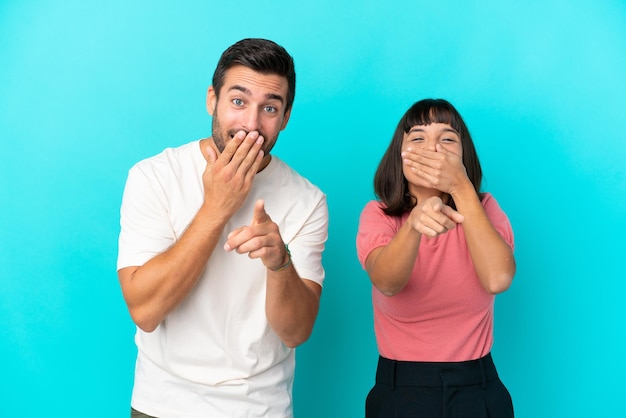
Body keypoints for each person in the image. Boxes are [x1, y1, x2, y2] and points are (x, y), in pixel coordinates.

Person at [117, 38, 328, 418]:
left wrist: (280, 261)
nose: (251, 124)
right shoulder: (154, 177)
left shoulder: (307, 200)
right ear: (212, 100)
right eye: (238, 101)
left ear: (286, 117)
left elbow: (296, 333)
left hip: (259, 409)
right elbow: (145, 311)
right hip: (161, 404)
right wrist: (216, 207)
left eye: (269, 108)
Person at [356, 99, 516, 417]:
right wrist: (414, 225)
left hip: (478, 389)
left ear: (463, 156)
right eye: (418, 138)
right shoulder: (379, 215)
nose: (433, 148)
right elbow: (387, 282)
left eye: (447, 139)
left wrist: (460, 187)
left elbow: (498, 278)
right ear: (397, 157)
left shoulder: (485, 209)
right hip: (400, 393)